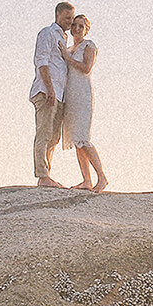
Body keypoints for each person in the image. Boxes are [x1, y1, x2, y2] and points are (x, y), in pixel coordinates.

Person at [60, 13, 108, 191]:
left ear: (86, 29)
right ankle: (86, 180)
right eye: (75, 26)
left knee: (83, 137)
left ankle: (101, 178)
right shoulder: (71, 48)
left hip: (83, 94)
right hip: (71, 95)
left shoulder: (89, 45)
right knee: (76, 140)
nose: (77, 29)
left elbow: (87, 68)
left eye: (81, 26)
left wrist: (67, 57)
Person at [30, 1, 74, 187]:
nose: (70, 22)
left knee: (55, 136)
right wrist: (49, 87)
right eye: (67, 18)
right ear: (57, 15)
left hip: (60, 94)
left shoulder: (64, 39)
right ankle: (42, 175)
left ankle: (47, 174)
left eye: (72, 18)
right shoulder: (48, 33)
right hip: (47, 91)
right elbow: (42, 60)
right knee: (44, 133)